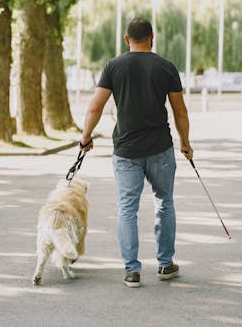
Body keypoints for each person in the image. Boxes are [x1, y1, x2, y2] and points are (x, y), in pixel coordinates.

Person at [80, 17, 193, 288]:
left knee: (127, 209)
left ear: (126, 38)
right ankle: (165, 264)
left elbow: (95, 107)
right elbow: (180, 110)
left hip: (126, 151)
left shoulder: (113, 66)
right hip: (160, 149)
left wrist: (85, 138)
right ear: (152, 36)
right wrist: (185, 143)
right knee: (164, 202)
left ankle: (132, 270)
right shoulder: (166, 67)